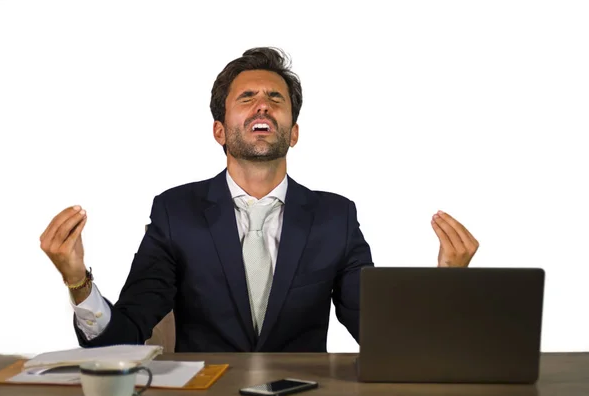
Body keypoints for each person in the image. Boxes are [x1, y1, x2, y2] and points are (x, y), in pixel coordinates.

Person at [40, 47, 479, 352]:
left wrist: (444, 289)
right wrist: (77, 280)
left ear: (294, 131)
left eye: (276, 99)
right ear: (219, 130)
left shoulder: (335, 218)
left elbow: (384, 341)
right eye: (247, 97)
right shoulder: (175, 213)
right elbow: (123, 339)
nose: (263, 106)